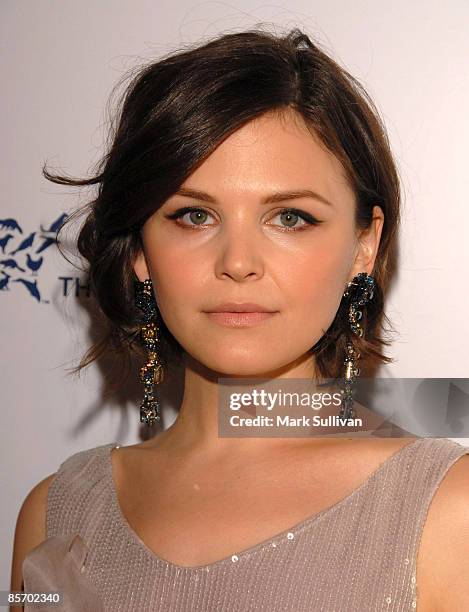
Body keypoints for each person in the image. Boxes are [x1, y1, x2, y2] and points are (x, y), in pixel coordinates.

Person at [10, 27, 469, 611]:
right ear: (138, 252)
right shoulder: (55, 515)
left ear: (364, 246)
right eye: (194, 215)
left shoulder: (452, 513)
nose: (238, 263)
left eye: (292, 218)